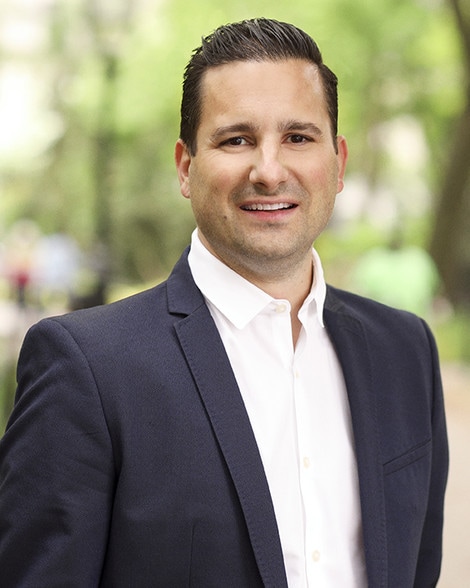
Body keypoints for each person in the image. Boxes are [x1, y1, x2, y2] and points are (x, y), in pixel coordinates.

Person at [0, 18, 448, 587]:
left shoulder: (406, 351)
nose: (269, 171)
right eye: (236, 139)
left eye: (298, 137)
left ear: (338, 162)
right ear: (186, 167)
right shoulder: (86, 368)